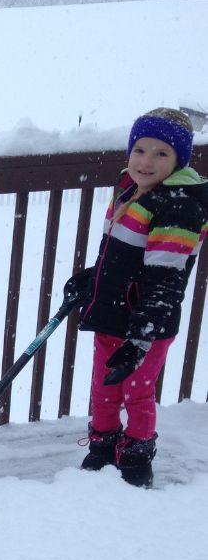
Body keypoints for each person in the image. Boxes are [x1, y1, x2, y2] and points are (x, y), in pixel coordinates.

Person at [65, 107, 208, 487]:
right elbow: (120, 256)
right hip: (112, 314)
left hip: (146, 325)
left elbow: (165, 282)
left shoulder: (177, 206)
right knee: (104, 387)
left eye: (161, 153)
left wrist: (140, 338)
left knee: (137, 393)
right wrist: (91, 280)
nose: (146, 161)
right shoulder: (131, 190)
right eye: (140, 150)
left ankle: (136, 457)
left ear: (179, 159)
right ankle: (102, 447)